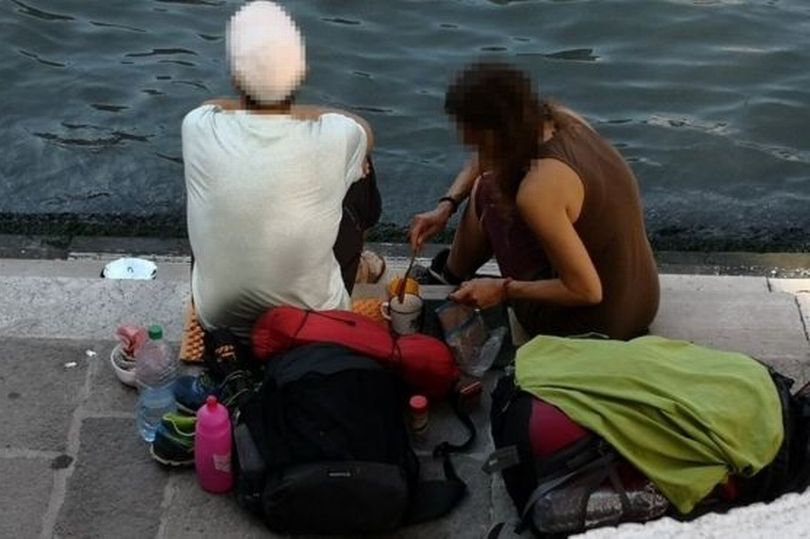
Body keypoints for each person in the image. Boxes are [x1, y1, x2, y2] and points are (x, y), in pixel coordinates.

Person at [409, 62, 659, 340]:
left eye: (473, 136)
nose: (466, 142)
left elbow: (587, 290)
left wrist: (504, 289)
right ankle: (449, 274)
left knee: (488, 193)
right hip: (642, 305)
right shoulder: (565, 122)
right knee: (490, 182)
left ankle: (448, 277)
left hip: (591, 325)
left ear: (494, 132)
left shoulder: (538, 191)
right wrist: (447, 205)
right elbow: (486, 157)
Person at [182, 0, 381, 343]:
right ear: (301, 72)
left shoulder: (198, 126)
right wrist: (307, 113)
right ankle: (357, 266)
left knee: (210, 186)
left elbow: (208, 105)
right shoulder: (336, 134)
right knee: (360, 168)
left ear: (234, 75)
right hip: (316, 322)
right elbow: (365, 130)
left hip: (217, 321)